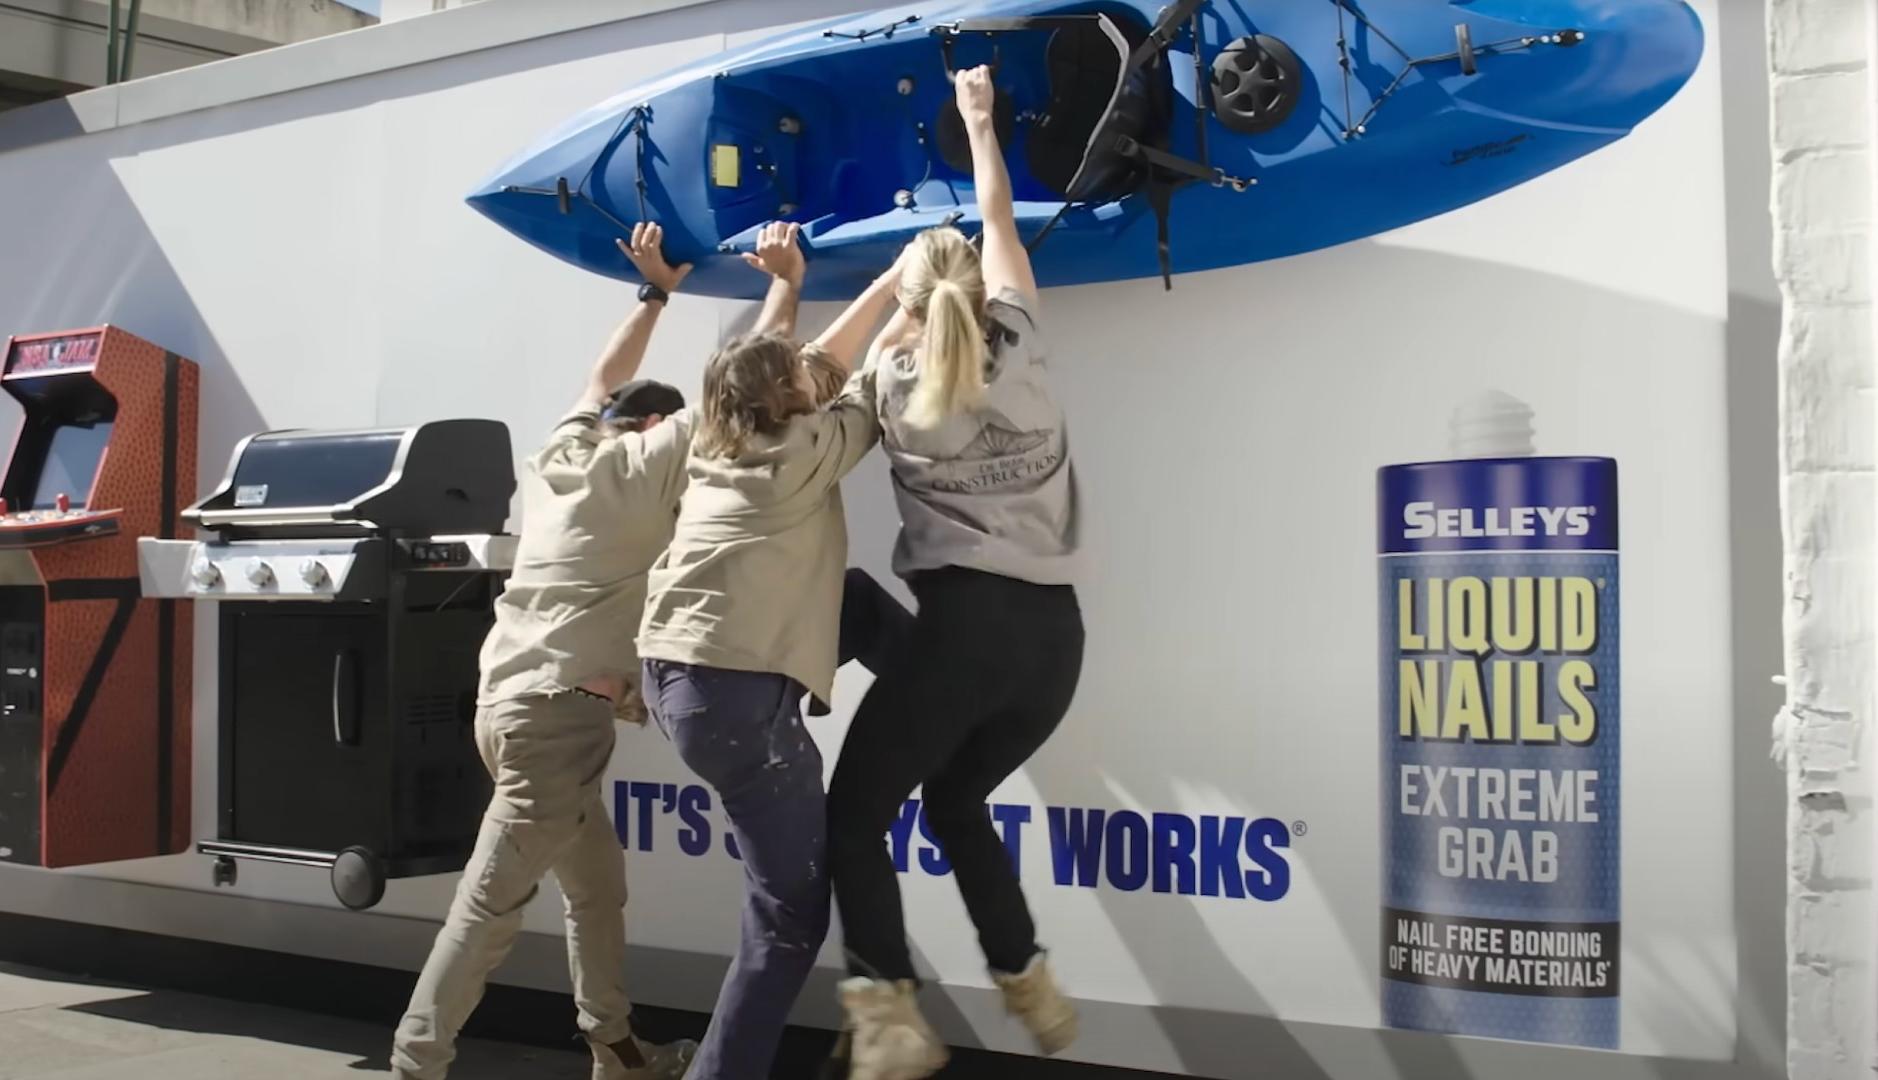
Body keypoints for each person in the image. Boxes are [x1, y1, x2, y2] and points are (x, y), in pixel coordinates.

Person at [823, 65, 1086, 1080]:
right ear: (976, 290)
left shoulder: (891, 380)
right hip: (1055, 646)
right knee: (954, 800)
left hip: (965, 633)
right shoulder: (1021, 336)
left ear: (912, 305)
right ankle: (1032, 984)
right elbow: (998, 214)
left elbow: (848, 372)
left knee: (855, 817)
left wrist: (889, 296)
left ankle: (888, 1020)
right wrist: (980, 122)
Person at [391, 223, 699, 1080]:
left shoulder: (565, 453)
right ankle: (416, 1061)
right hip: (555, 725)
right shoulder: (639, 468)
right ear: (648, 429)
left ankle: (619, 1049)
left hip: (512, 710)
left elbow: (601, 377)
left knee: (596, 887)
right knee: (489, 908)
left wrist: (655, 293)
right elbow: (742, 392)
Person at [637, 220, 910, 1080]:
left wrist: (882, 282)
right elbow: (861, 386)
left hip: (687, 677)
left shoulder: (722, 438)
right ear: (785, 403)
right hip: (734, 701)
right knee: (791, 912)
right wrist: (924, 286)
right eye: (796, 375)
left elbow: (816, 365)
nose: (807, 372)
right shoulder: (800, 452)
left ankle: (945, 689)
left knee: (855, 599)